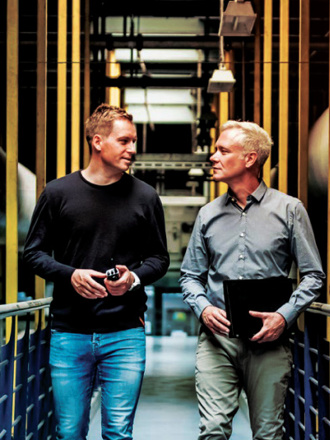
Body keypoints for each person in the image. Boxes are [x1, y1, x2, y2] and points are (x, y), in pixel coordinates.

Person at [23, 104, 169, 440]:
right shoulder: (58, 193)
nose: (132, 149)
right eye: (124, 141)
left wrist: (132, 278)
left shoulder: (145, 197)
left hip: (125, 334)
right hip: (69, 333)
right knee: (69, 431)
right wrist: (69, 274)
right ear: (98, 142)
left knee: (118, 432)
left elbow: (159, 259)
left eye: (134, 141)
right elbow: (33, 254)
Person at [180, 120, 324, 440]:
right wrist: (203, 308)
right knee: (213, 429)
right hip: (218, 341)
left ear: (249, 159)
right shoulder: (207, 215)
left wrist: (284, 317)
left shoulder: (289, 210)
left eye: (223, 150)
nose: (213, 157)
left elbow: (314, 276)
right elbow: (190, 276)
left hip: (270, 343)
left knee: (268, 434)